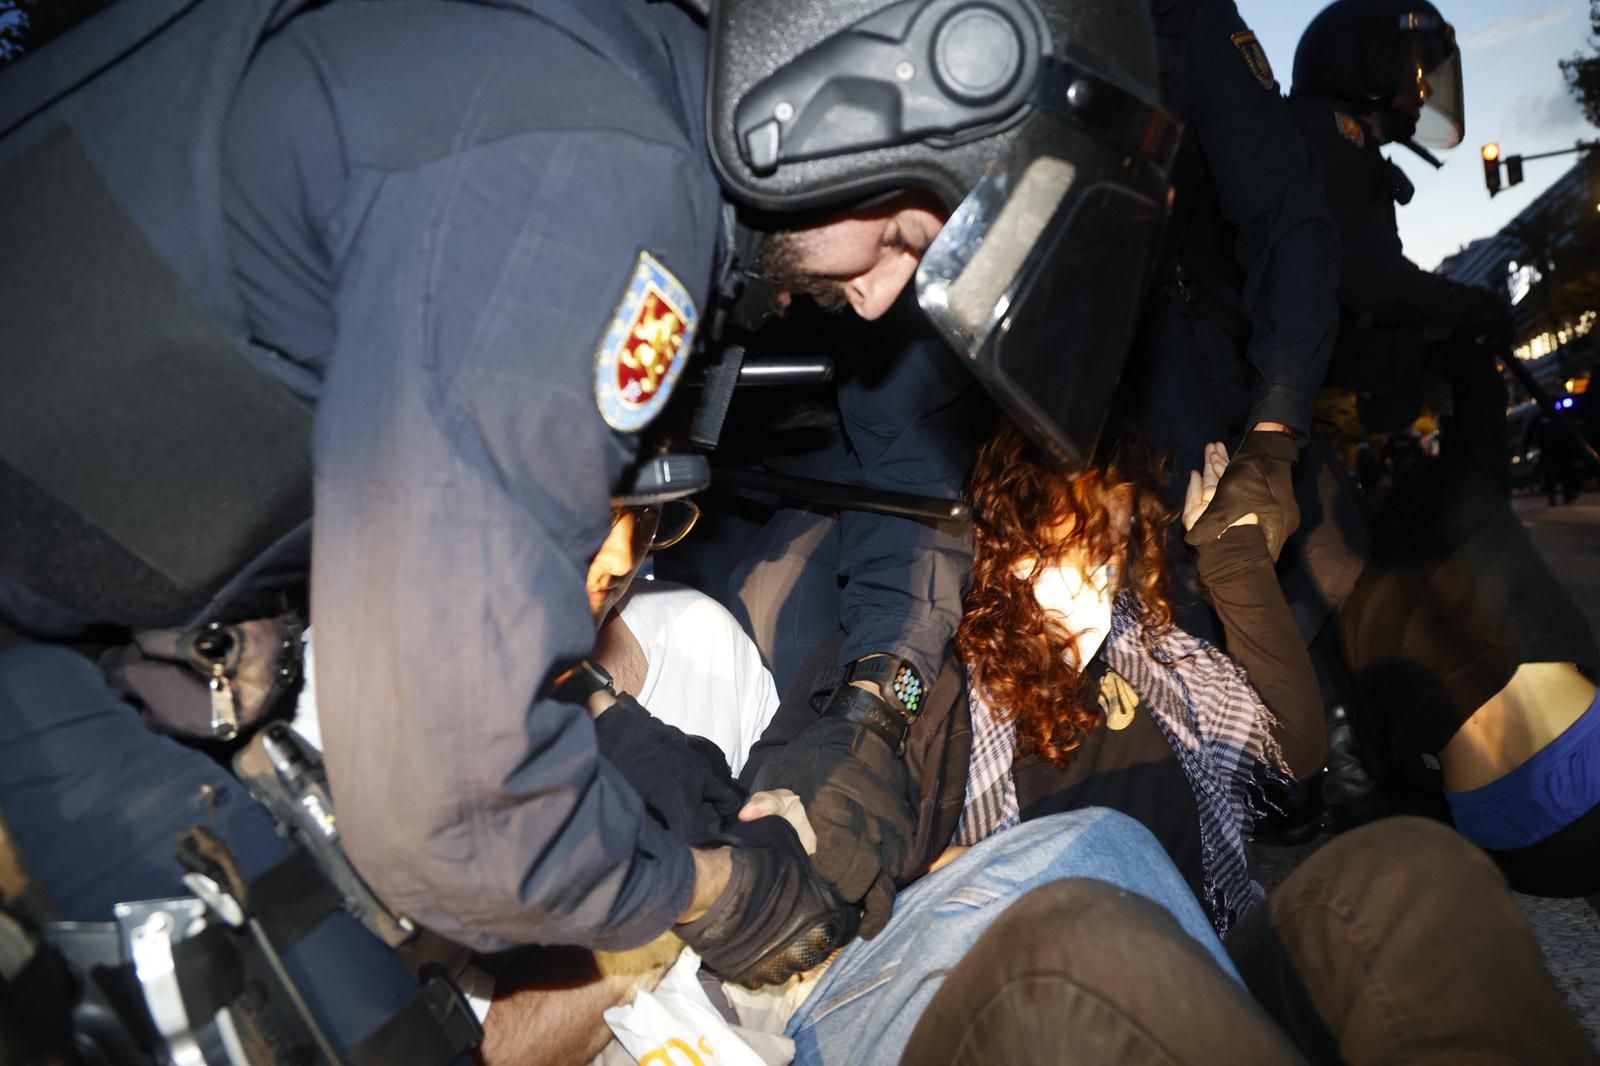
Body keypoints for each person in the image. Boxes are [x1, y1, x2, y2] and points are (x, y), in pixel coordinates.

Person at [0, 0, 1182, 985]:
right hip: (54, 628)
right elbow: (448, 811)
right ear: (839, 89)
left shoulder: (605, 97)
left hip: (81, 621)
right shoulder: (589, 182)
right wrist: (715, 891)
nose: (878, 299)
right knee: (316, 1007)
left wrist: (667, 756)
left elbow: (455, 574)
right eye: (907, 236)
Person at [749, 419, 1594, 1062]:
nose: (1090, 596)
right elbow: (838, 822)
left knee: (1407, 870)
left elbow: (1290, 756)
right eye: (1059, 558)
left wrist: (1235, 564)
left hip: (1212, 972)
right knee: (1093, 888)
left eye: (1107, 556)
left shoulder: (1143, 649)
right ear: (997, 552)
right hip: (1038, 1012)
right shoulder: (927, 672)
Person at [1118, 0, 1344, 610]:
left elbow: (1285, 212)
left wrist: (1274, 429)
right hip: (969, 366)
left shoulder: (1183, 16)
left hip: (1151, 348)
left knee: (1215, 592)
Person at [1337, 452, 1600, 898]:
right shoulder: (1486, 542)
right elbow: (1574, 637)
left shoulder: (1363, 614)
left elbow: (1400, 768)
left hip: (1516, 851)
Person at [1287, 0, 1512, 486]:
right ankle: (1472, 515)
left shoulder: (1344, 143)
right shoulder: (1327, 133)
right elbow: (1367, 276)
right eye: (1416, 69)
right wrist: (1461, 305)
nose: (1424, 90)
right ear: (1369, 60)